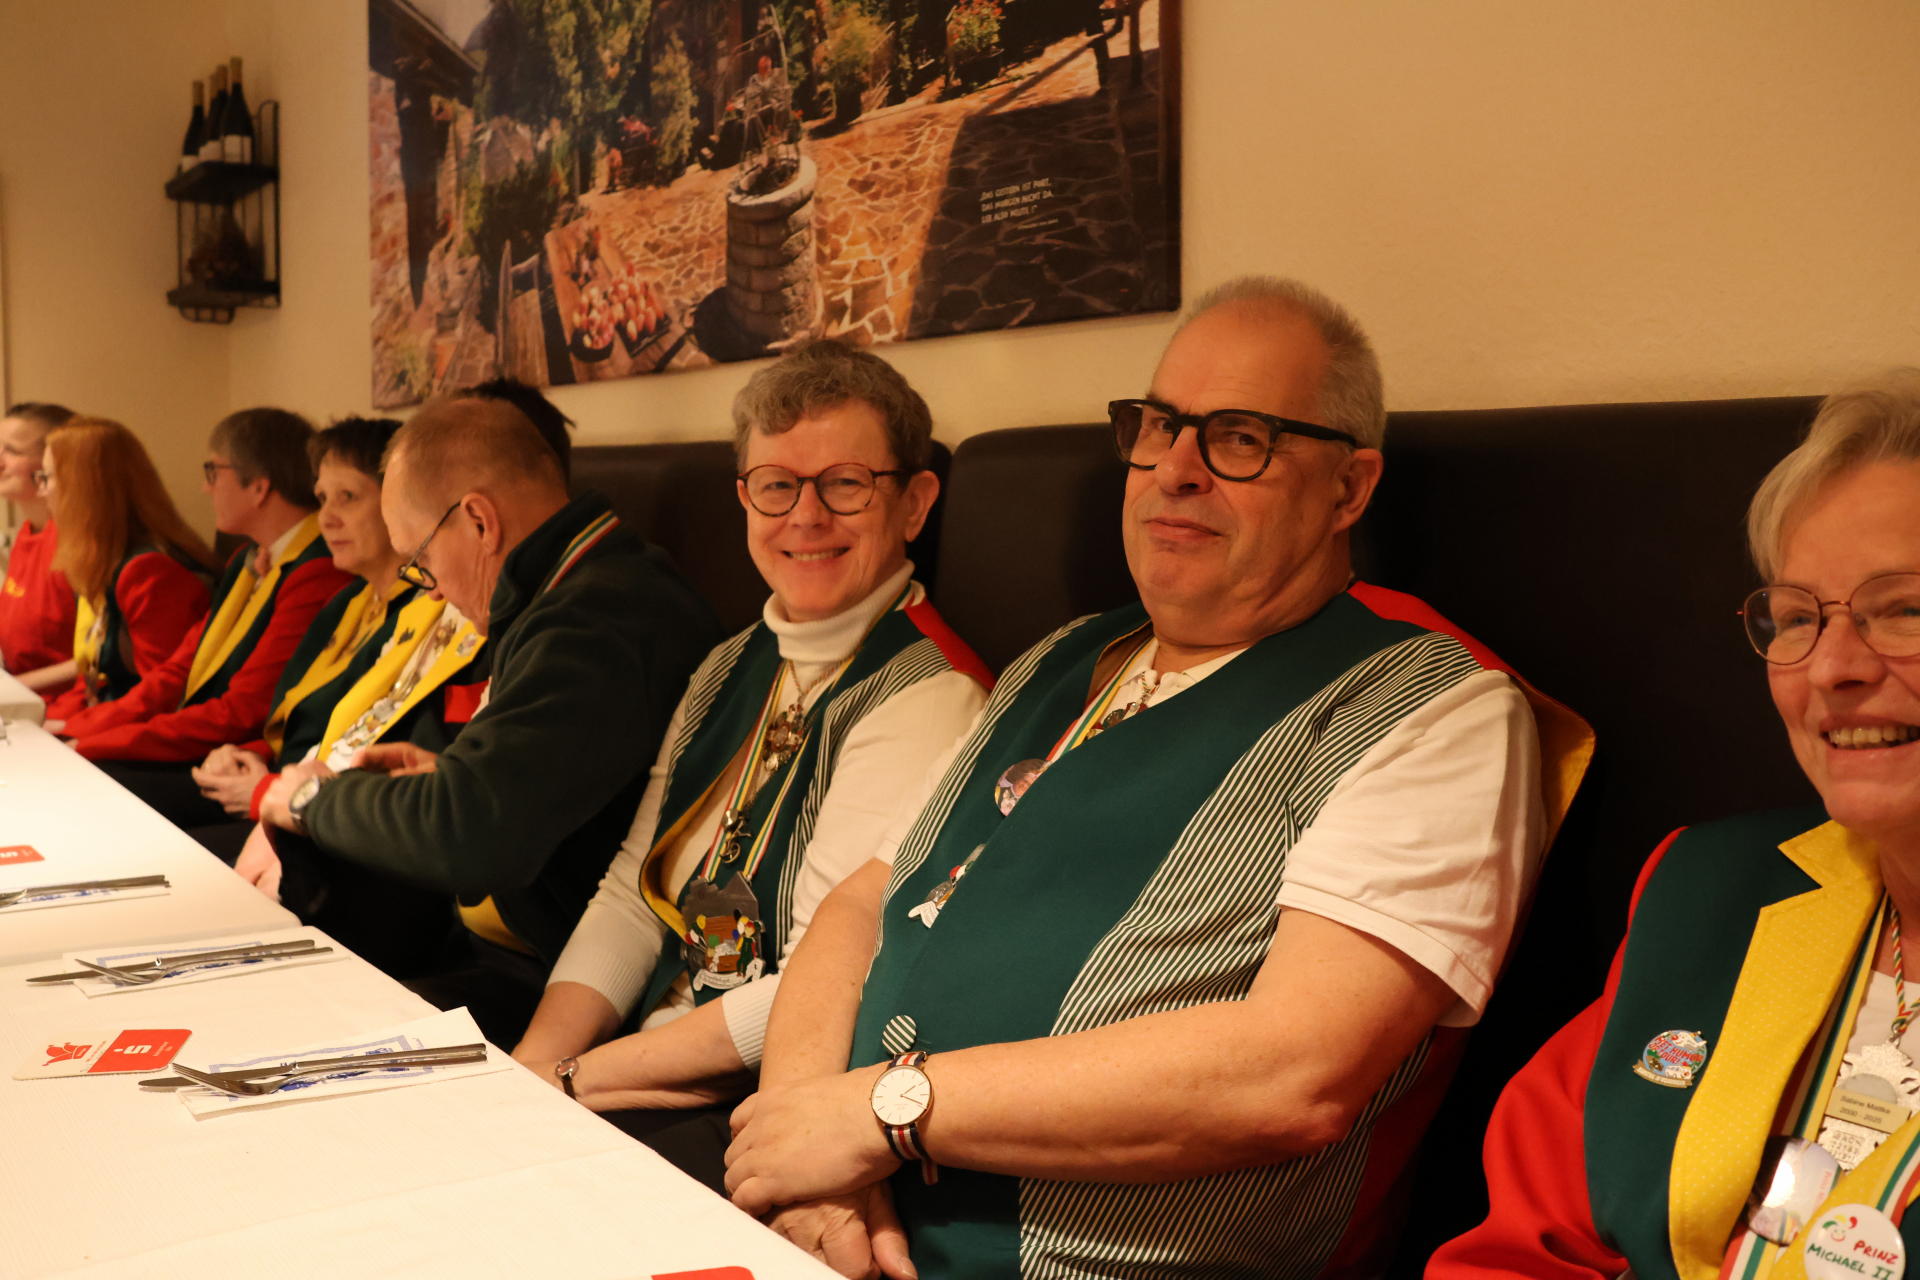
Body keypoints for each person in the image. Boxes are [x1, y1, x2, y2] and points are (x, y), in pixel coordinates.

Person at [720, 276, 1593, 1279]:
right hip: (833, 1223)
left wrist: (883, 1112)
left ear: (1349, 489)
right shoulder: (1057, 659)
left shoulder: (1430, 708)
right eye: (1160, 427)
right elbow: (862, 902)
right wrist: (805, 1151)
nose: (1176, 470)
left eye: (1239, 439)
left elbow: (1294, 1074)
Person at [1429, 375, 1920, 1279]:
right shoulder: (1709, 889)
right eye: (1799, 618)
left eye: (1905, 609)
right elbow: (1522, 1249)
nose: (1832, 668)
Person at [511, 340, 991, 1190]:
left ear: (915, 503)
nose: (805, 517)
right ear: (744, 498)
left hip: (755, 1103)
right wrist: (529, 1066)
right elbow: (632, 893)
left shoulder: (931, 695)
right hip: (636, 1063)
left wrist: (577, 1080)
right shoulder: (729, 664)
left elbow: (817, 984)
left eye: (845, 484)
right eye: (776, 485)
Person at [242, 395, 718, 1036]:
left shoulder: (593, 619)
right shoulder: (572, 590)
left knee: (298, 1025)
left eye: (421, 561)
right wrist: (445, 774)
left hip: (567, 977)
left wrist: (308, 800)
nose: (432, 589)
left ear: (478, 521)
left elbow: (469, 838)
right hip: (515, 944)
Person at [172, 417, 465, 863]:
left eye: (348, 497)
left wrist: (270, 788)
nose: (326, 518)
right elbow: (297, 719)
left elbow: (369, 746)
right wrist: (246, 754)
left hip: (327, 811)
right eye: (322, 498)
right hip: (289, 787)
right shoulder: (348, 601)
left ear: (397, 504)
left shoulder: (425, 607)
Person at [54, 408, 353, 763]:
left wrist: (94, 744)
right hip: (205, 737)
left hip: (236, 754)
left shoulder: (316, 570)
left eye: (212, 471)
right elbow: (179, 669)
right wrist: (79, 728)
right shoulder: (246, 560)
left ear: (259, 487)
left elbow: (245, 709)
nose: (205, 487)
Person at [37, 418, 217, 721]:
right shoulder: (108, 558)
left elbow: (159, 700)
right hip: (111, 723)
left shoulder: (151, 571)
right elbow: (94, 680)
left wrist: (70, 729)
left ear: (83, 487)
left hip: (141, 733)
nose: (41, 491)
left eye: (46, 478)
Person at [0, 401, 79, 692]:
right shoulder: (27, 534)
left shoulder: (75, 542)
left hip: (63, 707)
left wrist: (13, 689)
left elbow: (98, 658)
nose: (0, 461)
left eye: (12, 451)